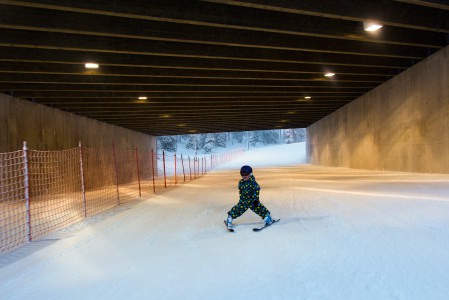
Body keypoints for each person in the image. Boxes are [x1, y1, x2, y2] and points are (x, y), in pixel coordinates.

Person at [226, 165, 273, 229]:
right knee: (237, 209)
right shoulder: (241, 182)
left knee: (259, 208)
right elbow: (241, 191)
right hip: (244, 201)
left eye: (246, 174)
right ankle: (230, 218)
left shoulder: (253, 183)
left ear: (250, 174)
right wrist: (241, 199)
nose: (244, 176)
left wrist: (256, 200)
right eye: (242, 174)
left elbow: (256, 190)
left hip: (252, 201)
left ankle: (267, 217)